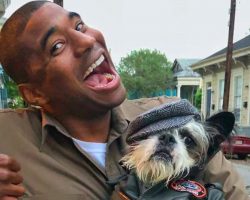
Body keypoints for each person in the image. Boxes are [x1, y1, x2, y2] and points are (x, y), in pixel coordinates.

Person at [0, 1, 248, 200]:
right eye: (56, 46)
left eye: (79, 26)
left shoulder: (170, 115)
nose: (87, 41)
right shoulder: (8, 137)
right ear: (35, 94)